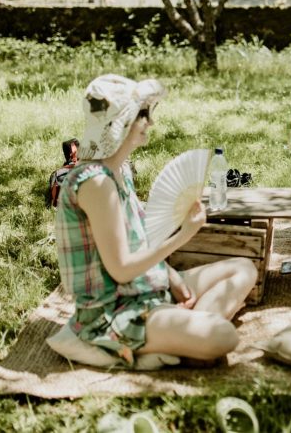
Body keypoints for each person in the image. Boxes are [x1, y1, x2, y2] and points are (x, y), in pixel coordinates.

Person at [54, 74, 257, 367]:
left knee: (244, 268)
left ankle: (184, 332)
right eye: (143, 114)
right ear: (121, 124)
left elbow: (139, 239)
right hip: (116, 311)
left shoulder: (119, 171)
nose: (150, 122)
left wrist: (172, 277)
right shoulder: (95, 183)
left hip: (147, 289)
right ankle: (188, 333)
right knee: (224, 336)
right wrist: (183, 235)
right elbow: (121, 270)